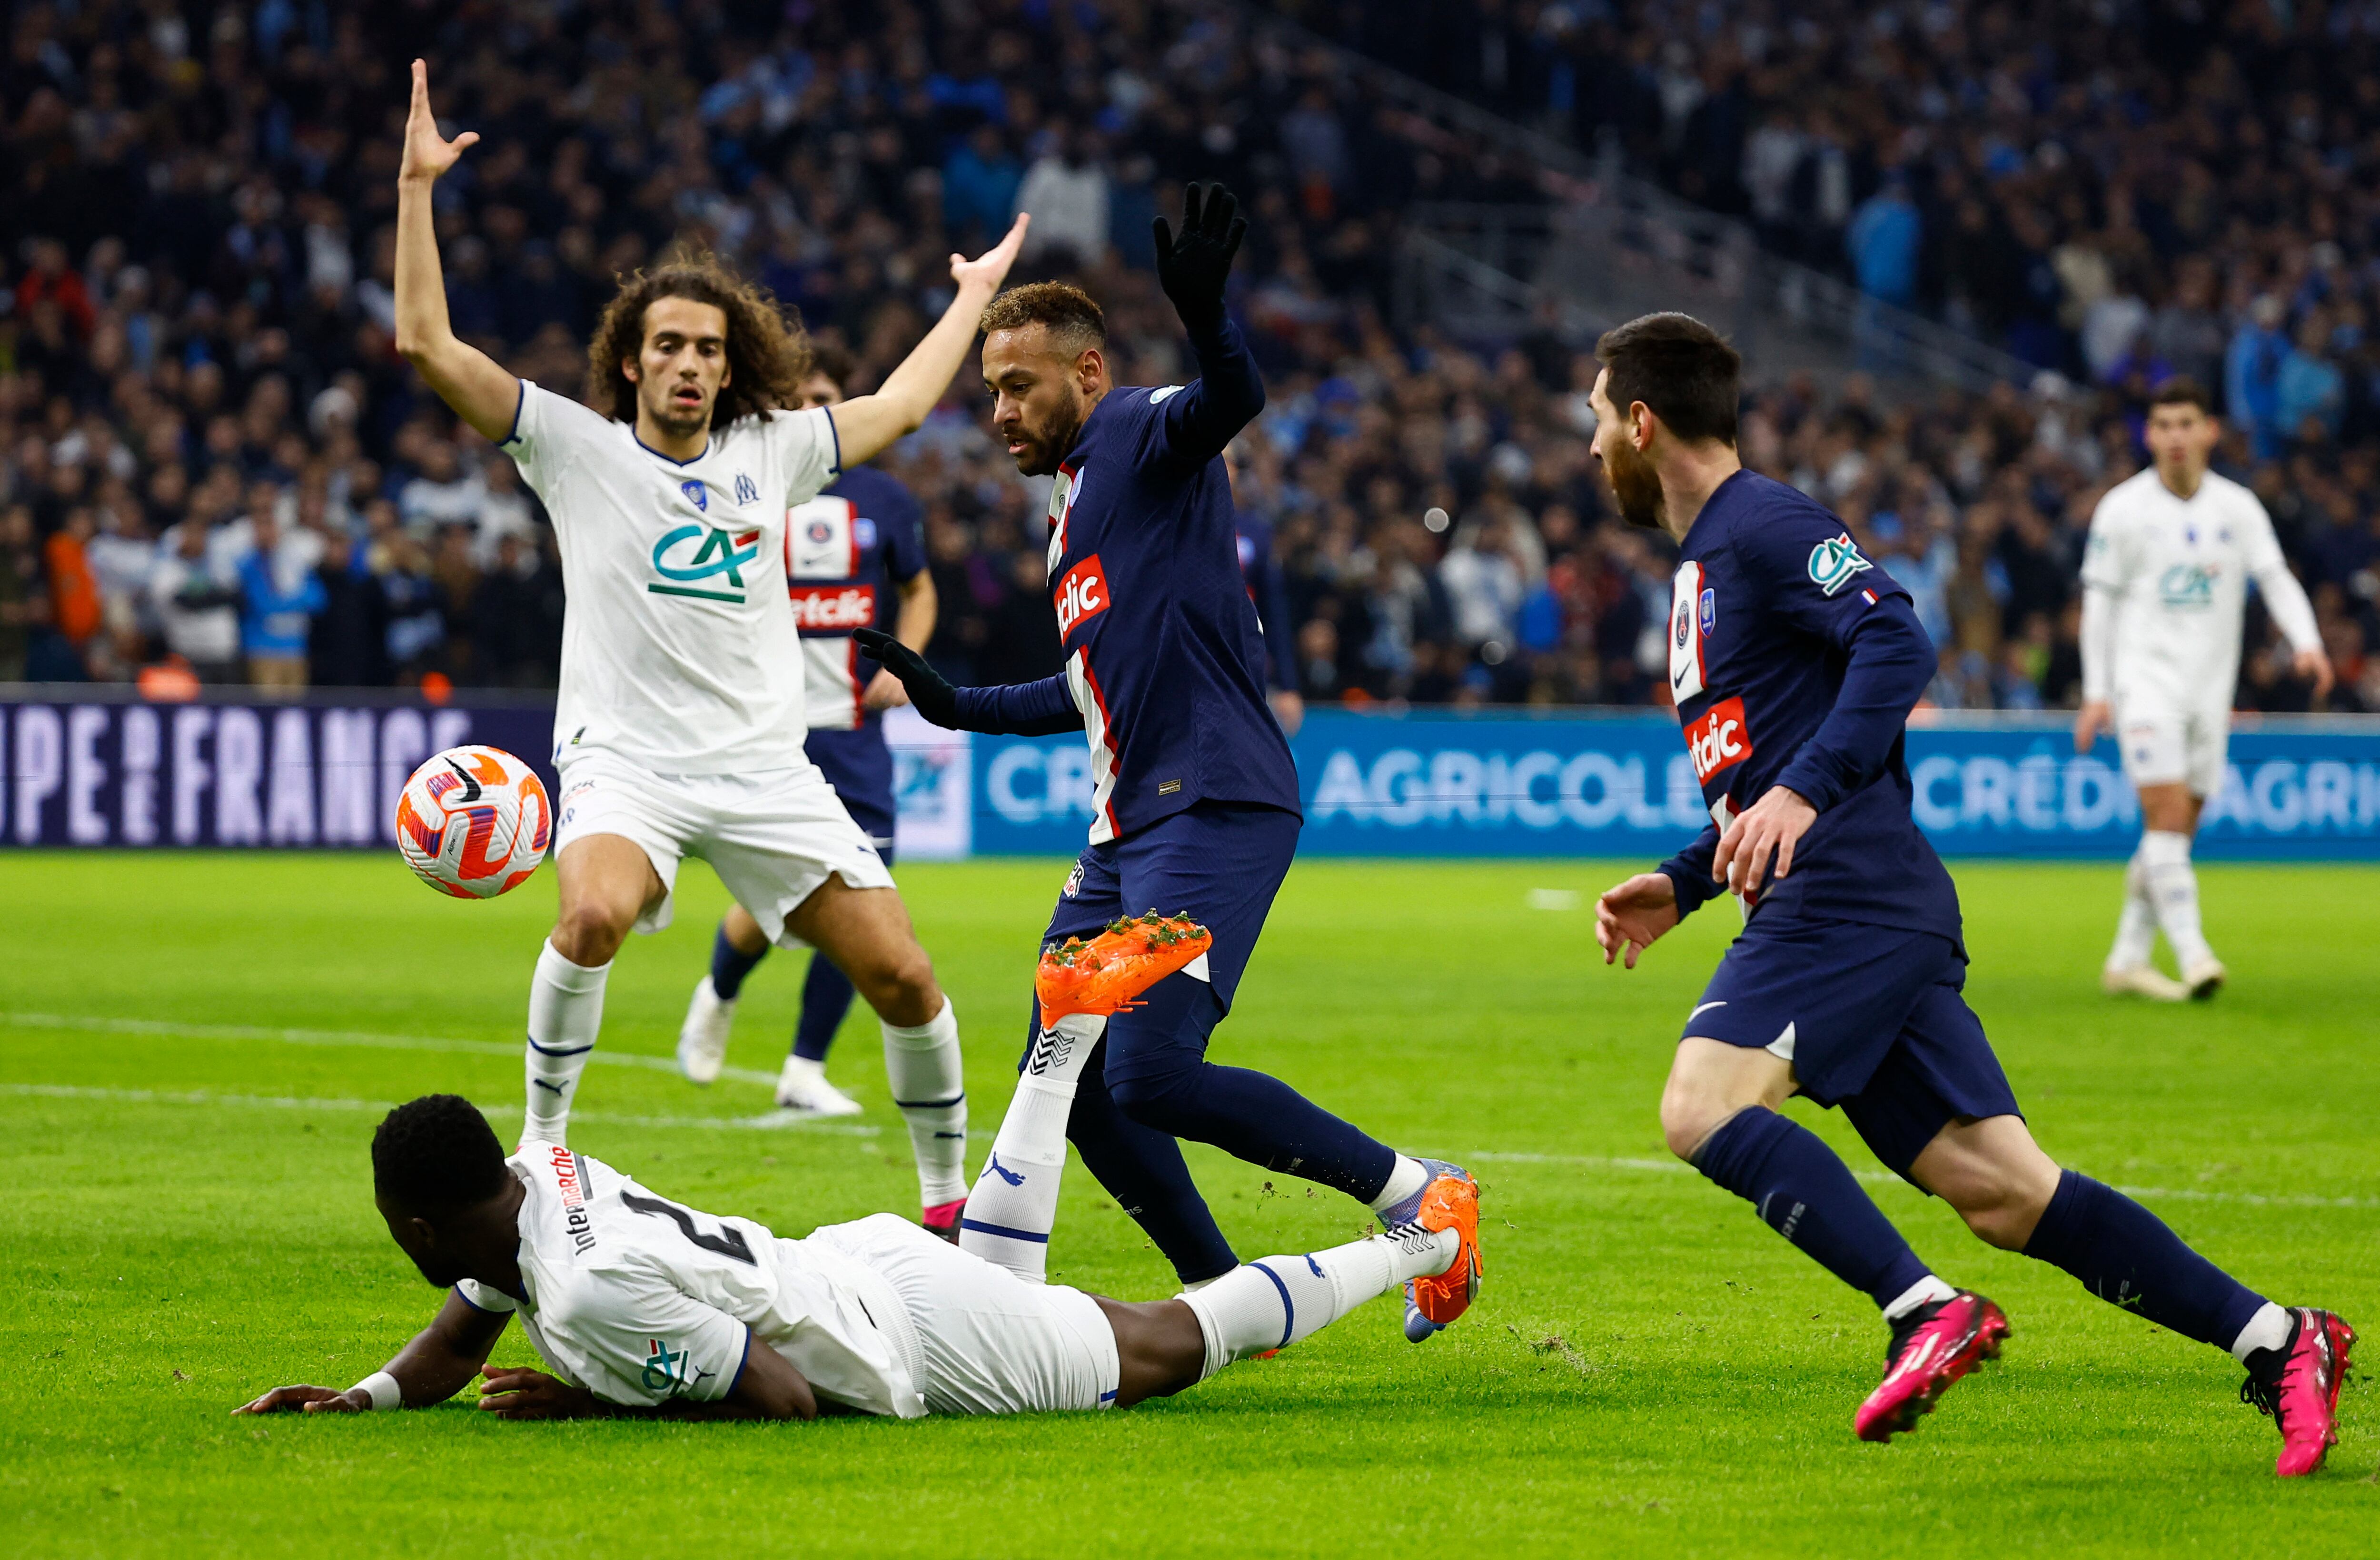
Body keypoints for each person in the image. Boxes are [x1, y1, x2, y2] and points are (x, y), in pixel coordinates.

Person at [1586, 312, 2351, 1474]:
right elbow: (1762, 769)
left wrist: (1804, 790)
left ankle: (1919, 1310)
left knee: (1700, 1105)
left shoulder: (1766, 524)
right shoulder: (1705, 566)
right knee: (2004, 1191)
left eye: (1598, 420)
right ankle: (2281, 1338)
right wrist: (1686, 881)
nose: (1592, 449)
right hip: (1854, 896)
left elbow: (1894, 635)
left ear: (1642, 421)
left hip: (1847, 892)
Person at [390, 61, 1026, 1234]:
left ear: (732, 368)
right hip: (626, 761)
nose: (689, 363)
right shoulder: (569, 445)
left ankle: (949, 1213)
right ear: (630, 358)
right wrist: (418, 188)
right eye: (668, 344)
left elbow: (895, 407)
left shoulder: (774, 451)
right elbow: (425, 343)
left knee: (906, 978)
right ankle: (541, 1151)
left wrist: (975, 298)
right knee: (588, 916)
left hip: (763, 768)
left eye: (709, 349)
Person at [857, 185, 1481, 1343]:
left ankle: (1419, 1194)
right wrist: (955, 704)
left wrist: (1209, 316)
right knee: (1076, 1077)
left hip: (1215, 803)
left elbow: (1232, 398)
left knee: (1146, 1071)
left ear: (1085, 373)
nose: (997, 408)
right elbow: (1090, 689)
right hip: (1126, 826)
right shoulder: (1071, 507)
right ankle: (1218, 1288)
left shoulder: (1138, 431)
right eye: (989, 388)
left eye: (1018, 384)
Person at [232, 1092, 1468, 1423]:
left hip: (895, 1334)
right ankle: (1066, 1037)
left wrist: (596, 1400)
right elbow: (466, 1324)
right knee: (1023, 1289)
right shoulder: (538, 1175)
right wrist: (369, 1394)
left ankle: (1428, 1232)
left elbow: (770, 1393)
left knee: (1170, 1341)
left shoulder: (591, 1291)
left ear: (423, 1221)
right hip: (854, 1258)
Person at [677, 343, 940, 1119]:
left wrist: (908, 662)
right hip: (766, 729)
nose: (809, 413)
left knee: (865, 892)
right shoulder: (738, 483)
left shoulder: (883, 499)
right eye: (793, 401)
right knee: (782, 901)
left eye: (823, 398)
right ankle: (719, 989)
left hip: (854, 729)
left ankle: (803, 1067)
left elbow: (919, 588)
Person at [2073, 379, 2331, 1000]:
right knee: (2163, 815)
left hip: (2209, 692)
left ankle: (2127, 959)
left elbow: (2275, 578)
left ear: (2210, 430)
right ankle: (2195, 955)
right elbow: (2098, 608)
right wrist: (2097, 690)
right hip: (2145, 684)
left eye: (2186, 423)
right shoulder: (2123, 508)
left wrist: (2308, 641)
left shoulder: (2237, 508)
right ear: (2149, 435)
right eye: (2163, 425)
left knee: (2176, 832)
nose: (2175, 437)